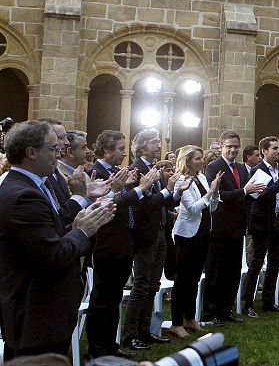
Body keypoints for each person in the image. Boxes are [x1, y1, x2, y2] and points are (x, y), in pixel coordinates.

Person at [0, 120, 114, 360]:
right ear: (31, 152)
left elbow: (52, 228)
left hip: (40, 308)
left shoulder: (29, 186)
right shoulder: (24, 196)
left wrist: (79, 210)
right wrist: (82, 231)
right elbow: (52, 255)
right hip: (37, 310)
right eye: (52, 149)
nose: (59, 153)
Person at [86, 130, 156, 359]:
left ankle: (110, 345)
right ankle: (97, 349)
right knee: (102, 299)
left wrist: (131, 187)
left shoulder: (118, 172)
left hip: (124, 240)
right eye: (119, 149)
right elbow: (109, 202)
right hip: (106, 242)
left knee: (114, 297)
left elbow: (125, 201)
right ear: (106, 150)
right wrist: (140, 189)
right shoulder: (94, 173)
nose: (124, 153)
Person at [123, 129, 179, 351]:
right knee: (141, 285)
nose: (159, 145)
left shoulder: (153, 169)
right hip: (146, 234)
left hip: (160, 231)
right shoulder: (136, 170)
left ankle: (145, 331)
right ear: (142, 146)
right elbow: (144, 206)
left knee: (153, 285)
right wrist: (167, 190)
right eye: (155, 142)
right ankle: (130, 334)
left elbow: (161, 202)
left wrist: (174, 193)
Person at [203, 131, 265, 326]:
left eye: (236, 146)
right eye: (229, 146)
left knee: (233, 271)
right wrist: (244, 191)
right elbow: (218, 195)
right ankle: (211, 311)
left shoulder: (241, 168)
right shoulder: (214, 167)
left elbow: (244, 193)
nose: (233, 150)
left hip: (238, 225)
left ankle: (225, 309)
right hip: (220, 226)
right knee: (216, 271)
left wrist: (253, 192)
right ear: (221, 146)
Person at [165, 145, 220, 339]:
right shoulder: (181, 179)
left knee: (195, 278)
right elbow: (191, 208)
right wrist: (210, 193)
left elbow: (210, 207)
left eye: (201, 158)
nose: (201, 161)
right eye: (197, 158)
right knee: (183, 279)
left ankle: (190, 318)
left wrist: (215, 193)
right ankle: (176, 322)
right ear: (187, 161)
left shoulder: (202, 177)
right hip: (186, 235)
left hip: (204, 232)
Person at [242, 136, 279, 317]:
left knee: (275, 262)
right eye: (275, 148)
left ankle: (268, 301)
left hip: (278, 219)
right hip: (262, 220)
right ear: (264, 151)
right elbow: (263, 194)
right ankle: (248, 302)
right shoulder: (259, 169)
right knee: (256, 262)